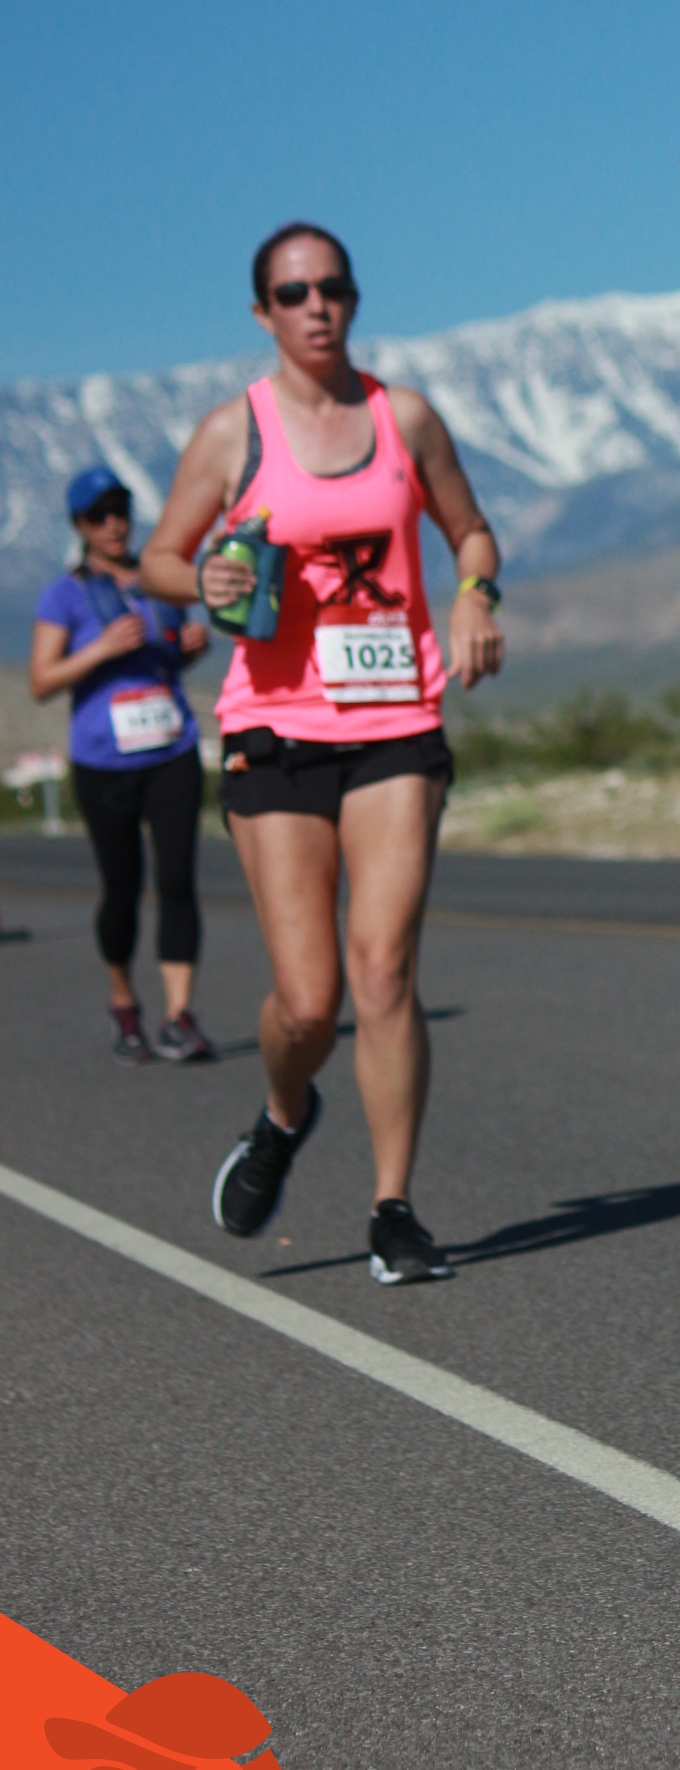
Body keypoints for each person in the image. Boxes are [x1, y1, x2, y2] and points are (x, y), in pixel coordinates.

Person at [139, 223, 504, 1285]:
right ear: (263, 312)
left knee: (383, 972)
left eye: (332, 287)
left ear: (353, 297)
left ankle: (395, 1209)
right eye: (294, 293)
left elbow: (471, 531)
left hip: (396, 721)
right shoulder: (233, 432)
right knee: (308, 1001)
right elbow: (161, 557)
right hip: (276, 728)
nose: (317, 307)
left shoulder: (406, 418)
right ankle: (284, 1112)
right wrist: (201, 579)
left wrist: (475, 595)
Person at [31, 465, 216, 1062]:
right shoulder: (65, 595)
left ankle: (179, 1015)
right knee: (122, 888)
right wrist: (101, 649)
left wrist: (189, 650)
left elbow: (168, 657)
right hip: (103, 761)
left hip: (172, 749)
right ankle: (123, 1001)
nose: (113, 524)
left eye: (120, 511)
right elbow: (41, 680)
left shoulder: (159, 579)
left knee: (177, 880)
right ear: (79, 526)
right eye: (98, 516)